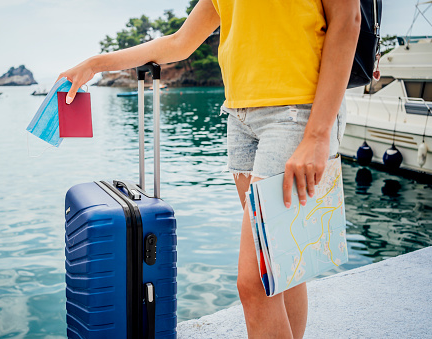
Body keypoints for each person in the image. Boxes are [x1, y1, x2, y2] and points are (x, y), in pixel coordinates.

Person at [58, 0, 360, 337]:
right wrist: (96, 63)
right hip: (241, 117)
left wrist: (319, 135)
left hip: (296, 115)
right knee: (281, 264)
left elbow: (348, 19)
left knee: (255, 281)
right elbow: (178, 43)